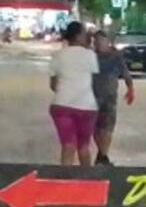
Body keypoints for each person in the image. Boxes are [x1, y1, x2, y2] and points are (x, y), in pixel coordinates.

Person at [48, 21, 99, 166]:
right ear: (78, 36)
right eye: (84, 33)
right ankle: (87, 181)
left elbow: (53, 85)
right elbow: (94, 80)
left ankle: (65, 182)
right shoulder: (90, 55)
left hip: (62, 106)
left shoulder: (58, 55)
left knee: (68, 146)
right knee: (84, 147)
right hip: (87, 107)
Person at [91, 31, 135, 166]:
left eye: (101, 41)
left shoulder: (116, 56)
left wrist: (130, 89)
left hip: (109, 97)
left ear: (107, 41)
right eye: (96, 41)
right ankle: (102, 155)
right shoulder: (90, 56)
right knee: (95, 128)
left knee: (107, 128)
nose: (99, 44)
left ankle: (103, 156)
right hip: (91, 97)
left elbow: (125, 73)